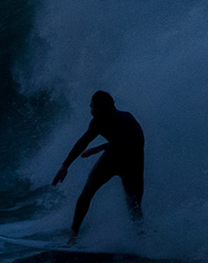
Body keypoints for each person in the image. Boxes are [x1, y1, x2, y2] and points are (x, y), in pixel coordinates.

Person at [51, 90, 143, 242]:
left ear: (101, 108)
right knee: (88, 192)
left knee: (134, 204)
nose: (91, 111)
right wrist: (65, 165)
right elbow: (83, 142)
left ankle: (141, 239)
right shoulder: (99, 122)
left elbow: (132, 142)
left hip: (132, 162)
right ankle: (73, 235)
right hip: (114, 157)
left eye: (93, 107)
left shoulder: (126, 119)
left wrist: (98, 149)